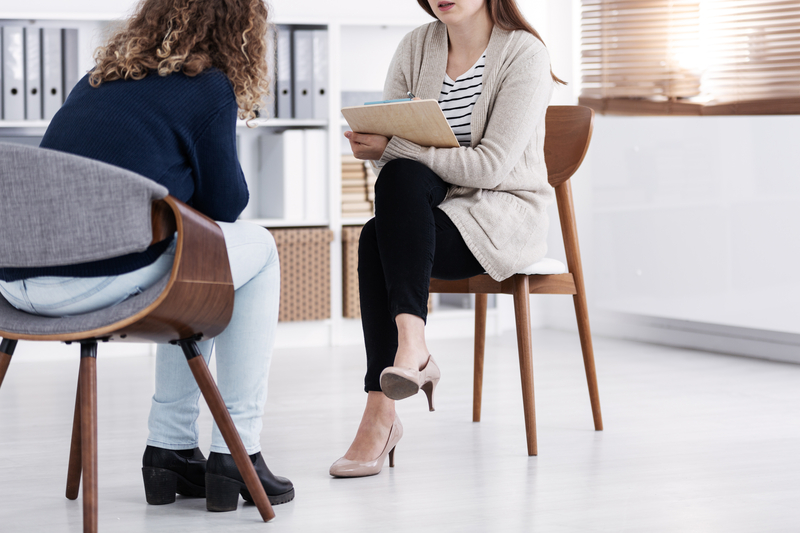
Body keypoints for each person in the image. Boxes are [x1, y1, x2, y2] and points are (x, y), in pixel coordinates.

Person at [0, 0, 294, 510]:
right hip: (94, 284)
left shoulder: (97, 79)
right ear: (240, 28)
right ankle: (234, 451)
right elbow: (227, 205)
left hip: (17, 284)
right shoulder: (208, 89)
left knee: (192, 258)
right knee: (256, 250)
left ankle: (173, 450)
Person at [329, 0, 563, 477]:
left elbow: (491, 167)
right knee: (395, 187)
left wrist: (395, 147)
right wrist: (383, 147)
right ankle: (411, 349)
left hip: (499, 215)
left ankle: (382, 412)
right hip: (430, 211)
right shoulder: (417, 45)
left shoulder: (525, 54)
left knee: (378, 233)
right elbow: (390, 158)